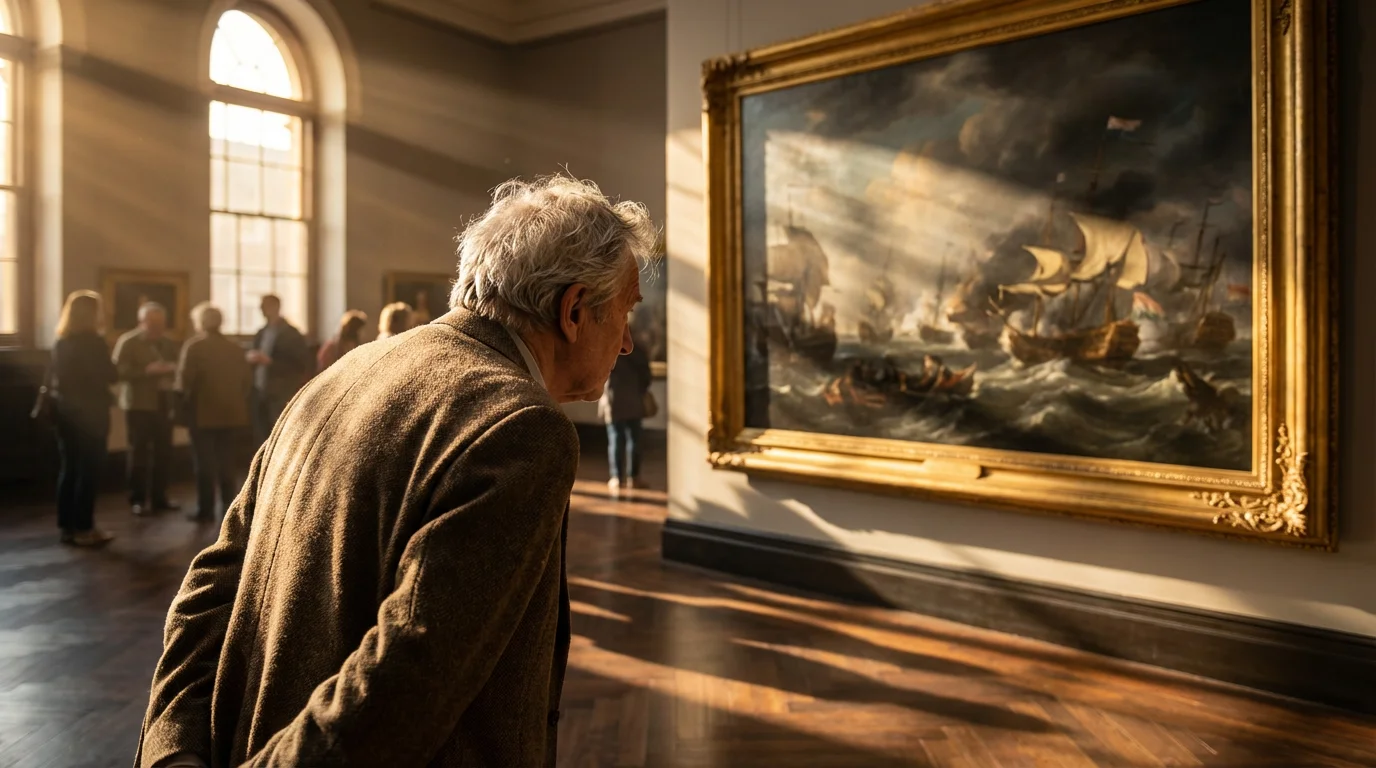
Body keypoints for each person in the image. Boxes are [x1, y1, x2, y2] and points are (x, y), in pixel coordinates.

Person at [135, 175, 657, 768]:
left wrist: (172, 750)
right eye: (624, 313)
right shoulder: (521, 425)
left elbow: (212, 581)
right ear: (572, 311)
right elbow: (405, 681)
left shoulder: (344, 373)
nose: (627, 345)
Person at [50, 291, 118, 546]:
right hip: (91, 413)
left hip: (65, 412)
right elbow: (110, 375)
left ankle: (66, 526)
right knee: (89, 471)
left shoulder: (61, 341)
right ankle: (85, 528)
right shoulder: (94, 343)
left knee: (69, 469)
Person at [177, 302, 253, 522]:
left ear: (200, 322)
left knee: (204, 463)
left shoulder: (195, 347)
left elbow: (183, 382)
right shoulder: (236, 348)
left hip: (202, 414)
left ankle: (206, 509)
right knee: (227, 463)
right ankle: (230, 510)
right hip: (232, 413)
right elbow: (247, 382)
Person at [112, 302, 181, 516]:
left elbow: (181, 366)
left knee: (164, 452)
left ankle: (160, 497)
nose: (156, 327)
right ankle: (138, 499)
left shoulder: (168, 343)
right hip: (139, 404)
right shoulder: (128, 342)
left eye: (160, 323)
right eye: (152, 323)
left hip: (164, 402)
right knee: (139, 452)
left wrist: (171, 369)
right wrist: (145, 371)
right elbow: (118, 372)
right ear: (141, 322)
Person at [246, 294, 308, 444]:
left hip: (281, 390)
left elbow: (301, 363)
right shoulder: (262, 332)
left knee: (280, 434)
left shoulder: (291, 334)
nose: (261, 310)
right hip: (260, 389)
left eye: (265, 306)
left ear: (276, 307)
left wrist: (271, 362)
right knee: (261, 433)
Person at [599, 332, 653, 496]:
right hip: (634, 398)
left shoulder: (609, 348)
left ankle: (616, 477)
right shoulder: (638, 351)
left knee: (615, 439)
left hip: (613, 399)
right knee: (634, 439)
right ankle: (634, 477)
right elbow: (646, 376)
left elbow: (601, 374)